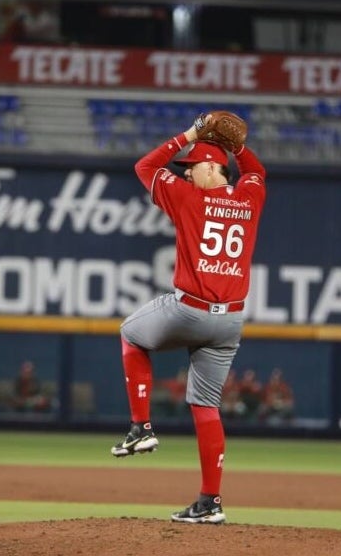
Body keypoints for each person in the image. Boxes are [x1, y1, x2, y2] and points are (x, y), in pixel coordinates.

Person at [110, 114, 266, 525]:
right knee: (206, 406)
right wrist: (238, 149)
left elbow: (145, 167)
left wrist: (191, 134)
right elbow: (255, 171)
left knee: (130, 334)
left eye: (192, 164)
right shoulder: (249, 199)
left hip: (190, 310)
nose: (187, 170)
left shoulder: (187, 198)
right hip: (230, 323)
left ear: (213, 167)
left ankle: (141, 426)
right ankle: (210, 503)